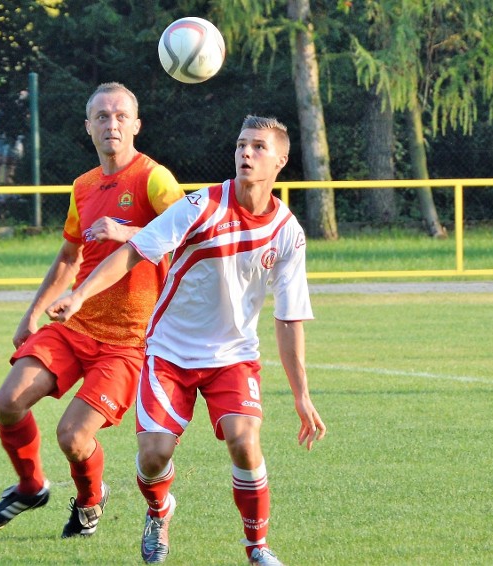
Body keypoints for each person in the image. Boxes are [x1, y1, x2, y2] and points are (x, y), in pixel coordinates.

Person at [47, 115, 327, 565]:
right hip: (169, 351)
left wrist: (303, 396)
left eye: (258, 147)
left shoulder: (288, 232)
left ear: (281, 159)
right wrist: (79, 295)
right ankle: (160, 510)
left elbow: (289, 318)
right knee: (154, 455)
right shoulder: (201, 206)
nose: (246, 154)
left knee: (244, 439)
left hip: (232, 355)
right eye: (240, 145)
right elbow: (135, 251)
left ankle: (257, 548)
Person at [0, 82, 184, 538]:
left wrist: (128, 231)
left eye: (121, 116)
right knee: (7, 403)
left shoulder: (154, 178)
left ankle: (91, 501)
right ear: (88, 126)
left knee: (73, 437)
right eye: (103, 116)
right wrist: (32, 314)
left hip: (128, 342)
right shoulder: (84, 186)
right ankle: (31, 487)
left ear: (136, 125)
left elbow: (188, 232)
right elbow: (69, 257)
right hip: (74, 323)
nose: (112, 124)